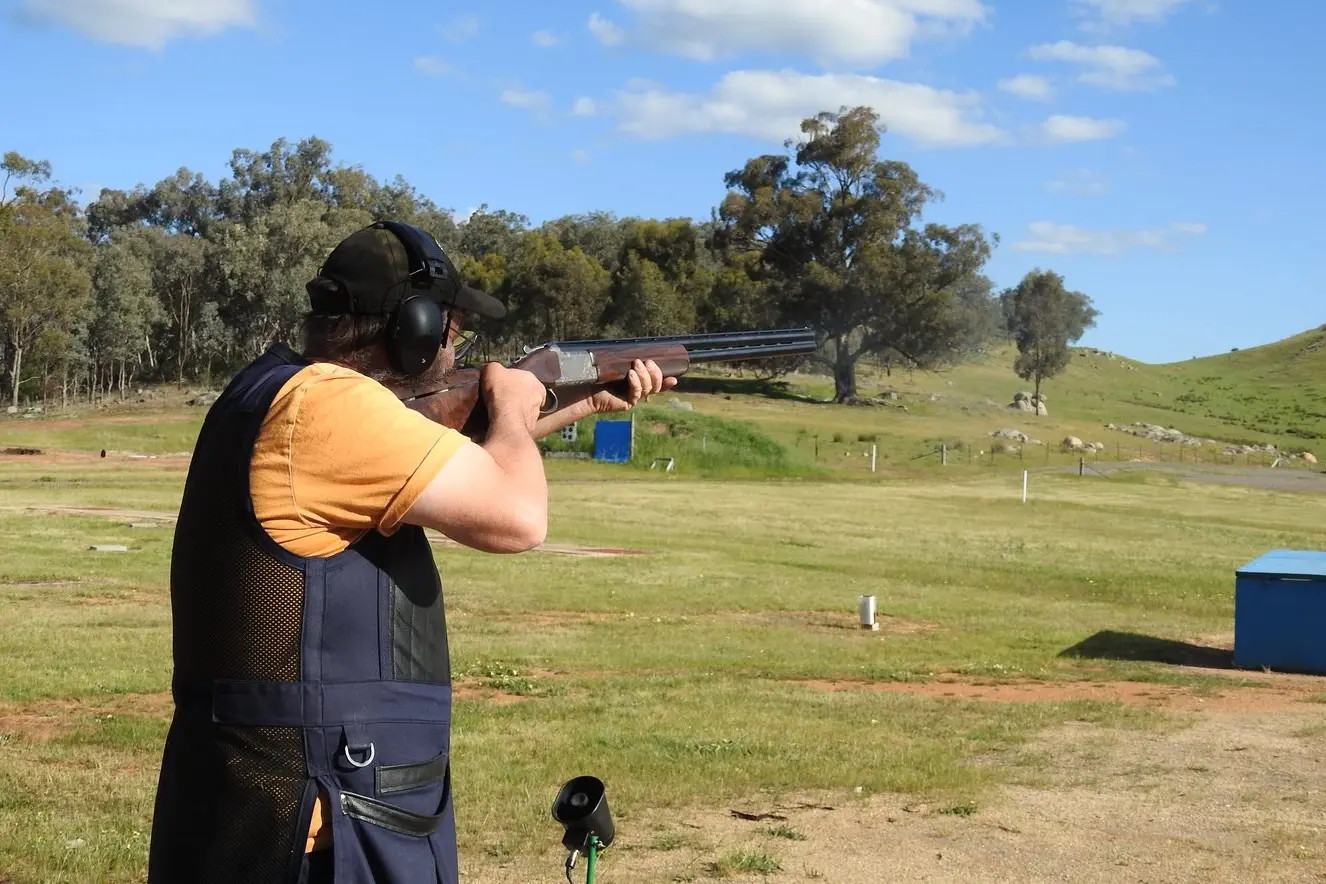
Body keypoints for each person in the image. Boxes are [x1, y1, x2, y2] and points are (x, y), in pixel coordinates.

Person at [146, 220, 676, 884]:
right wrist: (515, 404)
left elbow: (448, 454)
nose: (454, 354)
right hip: (326, 821)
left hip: (255, 801)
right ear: (414, 328)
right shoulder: (331, 407)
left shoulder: (271, 390)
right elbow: (518, 519)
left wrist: (583, 400)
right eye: (453, 335)